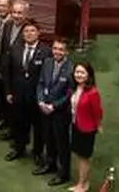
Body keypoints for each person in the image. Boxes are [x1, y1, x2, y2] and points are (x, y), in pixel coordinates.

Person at [5, 20, 49, 164]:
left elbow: (47, 77)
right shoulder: (15, 48)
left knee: (38, 126)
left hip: (37, 96)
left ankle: (37, 152)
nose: (29, 34)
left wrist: (45, 97)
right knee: (19, 122)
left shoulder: (46, 51)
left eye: (32, 31)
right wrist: (9, 91)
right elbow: (8, 72)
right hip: (18, 94)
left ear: (38, 33)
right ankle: (19, 148)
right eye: (26, 31)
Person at [36, 38, 73, 186]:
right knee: (48, 139)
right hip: (44, 108)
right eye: (55, 48)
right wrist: (40, 101)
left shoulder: (71, 68)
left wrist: (54, 106)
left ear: (66, 52)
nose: (57, 52)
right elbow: (40, 83)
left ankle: (63, 173)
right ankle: (49, 164)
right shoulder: (47, 62)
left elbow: (70, 94)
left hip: (60, 113)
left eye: (60, 49)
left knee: (61, 143)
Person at [0, 0, 30, 137]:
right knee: (5, 96)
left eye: (20, 13)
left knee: (16, 104)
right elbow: (3, 47)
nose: (16, 15)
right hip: (6, 68)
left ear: (26, 14)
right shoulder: (8, 24)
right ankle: (6, 122)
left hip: (19, 73)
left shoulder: (29, 29)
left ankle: (14, 131)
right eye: (14, 12)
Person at [70, 63, 103, 192]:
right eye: (77, 72)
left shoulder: (93, 92)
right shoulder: (76, 87)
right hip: (76, 125)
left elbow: (98, 111)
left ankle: (82, 185)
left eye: (82, 72)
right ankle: (83, 182)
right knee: (80, 155)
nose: (79, 75)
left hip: (87, 129)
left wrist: (98, 125)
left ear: (89, 75)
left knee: (84, 157)